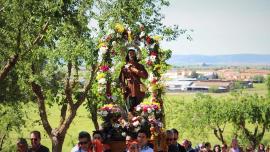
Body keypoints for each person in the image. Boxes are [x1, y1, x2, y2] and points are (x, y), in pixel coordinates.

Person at [119, 47, 148, 112]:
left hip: (139, 89)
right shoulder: (124, 67)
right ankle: (131, 120)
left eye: (133, 53)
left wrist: (135, 70)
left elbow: (145, 76)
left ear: (135, 55)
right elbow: (121, 79)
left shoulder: (140, 66)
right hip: (129, 90)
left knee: (139, 108)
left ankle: (139, 120)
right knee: (130, 109)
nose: (131, 55)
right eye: (130, 53)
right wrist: (123, 86)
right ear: (127, 55)